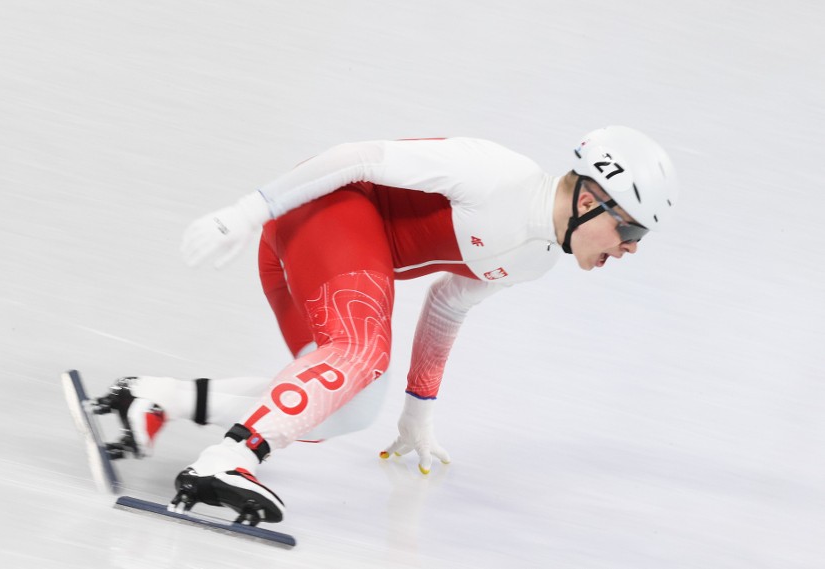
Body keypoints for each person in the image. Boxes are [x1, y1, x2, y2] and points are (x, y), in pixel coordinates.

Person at [95, 126, 679, 525]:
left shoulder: (537, 257)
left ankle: (152, 401)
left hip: (316, 254)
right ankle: (228, 461)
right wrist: (250, 209)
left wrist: (417, 413)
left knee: (348, 407)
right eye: (631, 232)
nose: (630, 249)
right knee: (363, 347)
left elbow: (449, 303)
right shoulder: (498, 174)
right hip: (319, 213)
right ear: (591, 201)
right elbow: (360, 156)